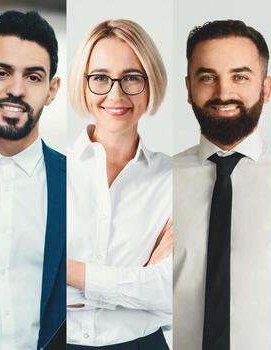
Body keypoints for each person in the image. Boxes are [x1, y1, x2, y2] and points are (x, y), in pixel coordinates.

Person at [0, 10, 67, 350]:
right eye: (2, 72)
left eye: (33, 77)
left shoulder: (80, 183)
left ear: (52, 90)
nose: (16, 90)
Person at [64, 19, 173, 350]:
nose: (116, 94)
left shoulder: (176, 180)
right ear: (82, 84)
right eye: (100, 78)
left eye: (131, 78)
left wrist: (62, 270)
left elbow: (171, 292)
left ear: (150, 82)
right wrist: (135, 291)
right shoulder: (47, 173)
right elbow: (23, 285)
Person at [170, 19, 271, 350]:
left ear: (266, 88)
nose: (223, 93)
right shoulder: (159, 180)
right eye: (207, 78)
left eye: (240, 77)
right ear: (188, 88)